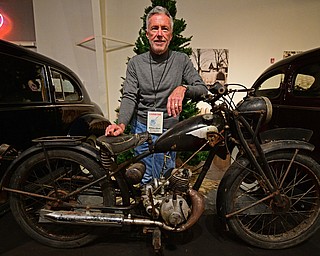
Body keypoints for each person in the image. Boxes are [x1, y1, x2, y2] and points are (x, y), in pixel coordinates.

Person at [106, 6, 208, 184]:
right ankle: (147, 210)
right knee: (144, 178)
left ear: (171, 35)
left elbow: (201, 89)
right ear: (147, 34)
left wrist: (183, 88)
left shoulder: (181, 60)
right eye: (154, 28)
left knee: (165, 180)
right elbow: (129, 96)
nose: (159, 34)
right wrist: (121, 124)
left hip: (169, 131)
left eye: (164, 29)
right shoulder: (136, 63)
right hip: (142, 129)